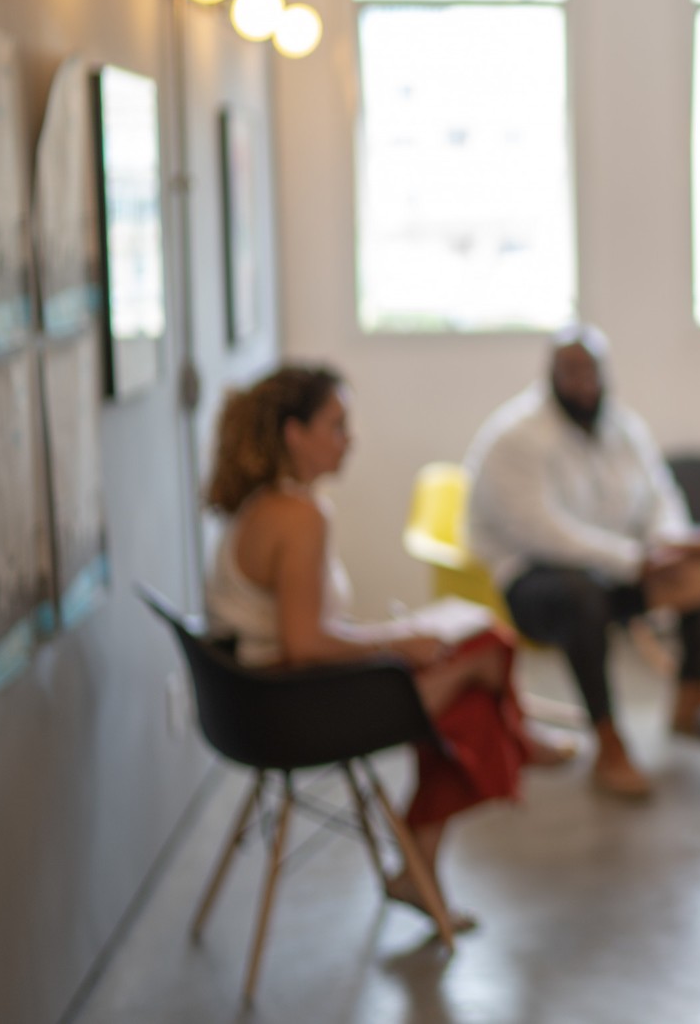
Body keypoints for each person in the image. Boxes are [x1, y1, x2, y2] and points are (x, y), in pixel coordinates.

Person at [205, 364, 559, 932]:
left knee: (473, 659)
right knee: (483, 661)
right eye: (337, 425)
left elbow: (300, 630)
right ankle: (507, 752)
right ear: (295, 434)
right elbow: (304, 643)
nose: (350, 440)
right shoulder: (300, 516)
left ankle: (428, 850)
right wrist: (396, 640)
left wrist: (393, 638)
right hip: (291, 708)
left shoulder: (266, 505)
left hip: (263, 700)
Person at [464, 326, 700, 799]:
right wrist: (632, 560)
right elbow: (542, 531)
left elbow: (659, 495)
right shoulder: (515, 437)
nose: (584, 384)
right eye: (572, 372)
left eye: (592, 372)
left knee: (698, 574)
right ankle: (608, 741)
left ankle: (689, 706)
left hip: (615, 565)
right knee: (581, 598)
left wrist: (667, 546)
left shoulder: (623, 427)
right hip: (531, 576)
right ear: (552, 374)